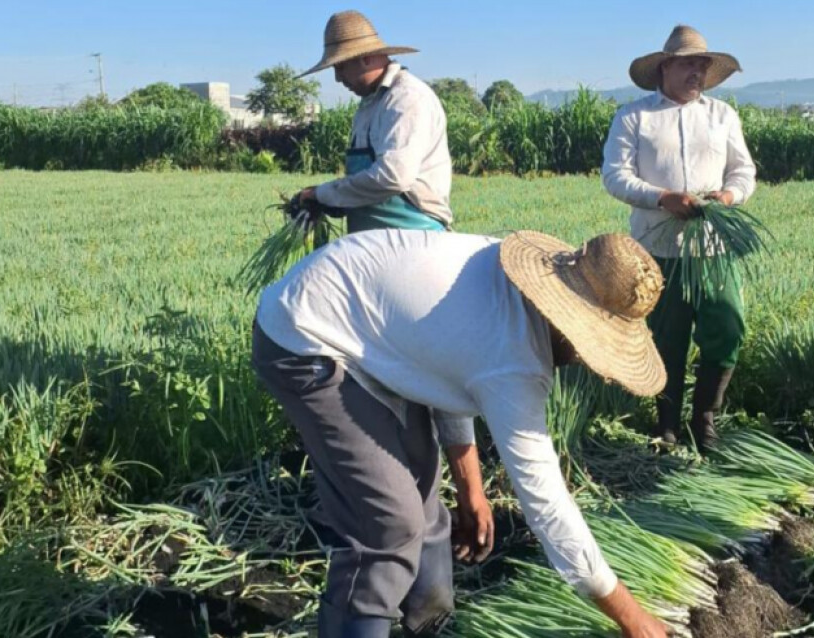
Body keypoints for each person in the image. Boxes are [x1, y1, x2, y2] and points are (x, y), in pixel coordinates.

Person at [251, 228, 670, 638]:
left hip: (368, 327)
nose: (583, 360)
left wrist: (471, 487)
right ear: (570, 326)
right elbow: (546, 505)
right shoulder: (514, 362)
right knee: (389, 525)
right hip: (305, 336)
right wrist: (631, 617)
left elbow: (447, 364)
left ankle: (429, 624)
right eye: (589, 347)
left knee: (425, 503)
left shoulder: (511, 285)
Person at [602, 25, 757, 452]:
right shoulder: (634, 117)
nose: (698, 72)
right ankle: (667, 421)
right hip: (658, 250)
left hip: (713, 247)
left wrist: (728, 196)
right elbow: (614, 177)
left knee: (727, 324)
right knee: (665, 337)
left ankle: (704, 416)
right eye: (690, 63)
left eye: (703, 65)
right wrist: (662, 198)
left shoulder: (722, 116)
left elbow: (744, 172)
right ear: (665, 67)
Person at [296, 10, 453, 234]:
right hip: (369, 237)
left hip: (413, 233)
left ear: (366, 58)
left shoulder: (406, 98)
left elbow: (394, 176)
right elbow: (368, 181)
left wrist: (323, 194)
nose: (338, 78)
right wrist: (333, 201)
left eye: (340, 67)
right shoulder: (369, 104)